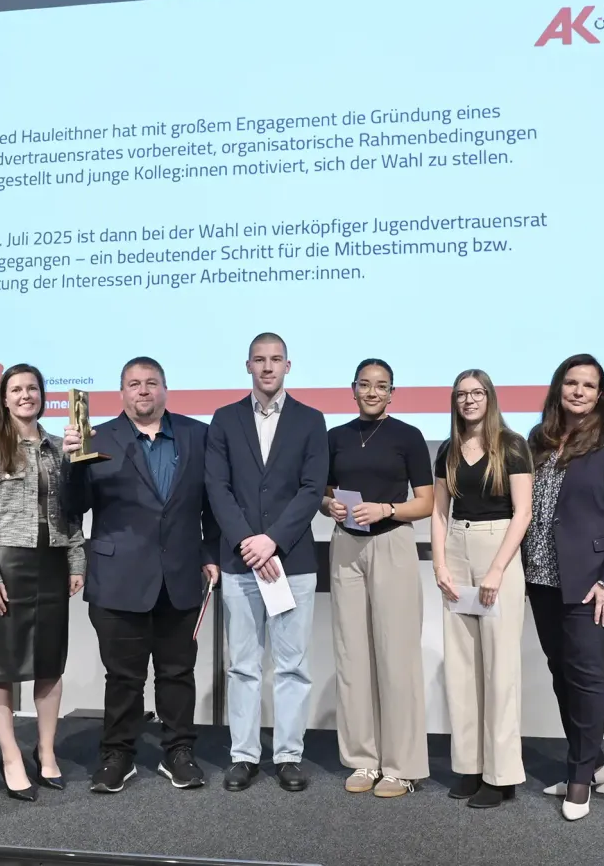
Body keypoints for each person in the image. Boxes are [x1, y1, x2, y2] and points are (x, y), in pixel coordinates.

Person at [60, 357, 220, 794]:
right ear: (122, 392)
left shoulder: (198, 434)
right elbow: (75, 506)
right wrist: (72, 462)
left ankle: (179, 752)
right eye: (134, 384)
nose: (143, 391)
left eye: (151, 383)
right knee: (124, 677)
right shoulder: (97, 438)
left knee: (177, 673)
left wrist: (210, 552)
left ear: (165, 389)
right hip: (118, 577)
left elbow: (213, 504)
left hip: (182, 574)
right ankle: (117, 756)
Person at [205, 332, 328, 793]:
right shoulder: (224, 419)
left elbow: (312, 489)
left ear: (288, 366)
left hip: (291, 563)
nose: (268, 367)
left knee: (293, 666)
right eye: (260, 359)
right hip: (240, 564)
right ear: (248, 366)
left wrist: (272, 541)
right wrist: (246, 542)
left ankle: (289, 756)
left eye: (276, 359)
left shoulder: (311, 420)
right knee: (243, 665)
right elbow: (218, 489)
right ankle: (243, 756)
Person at [0, 363, 85, 802]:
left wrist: (77, 561)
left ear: (42, 395)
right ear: (3, 398)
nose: (25, 395)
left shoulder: (60, 448)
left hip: (53, 563)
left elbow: (73, 512)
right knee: (2, 666)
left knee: (50, 663)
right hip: (7, 565)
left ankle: (46, 751)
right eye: (16, 389)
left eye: (32, 388)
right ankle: (11, 755)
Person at [522, 354, 604, 821]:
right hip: (542, 577)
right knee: (561, 672)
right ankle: (597, 762)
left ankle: (580, 776)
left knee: (588, 676)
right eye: (571, 382)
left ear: (601, 393)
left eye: (589, 385)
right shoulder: (539, 440)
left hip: (593, 582)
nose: (579, 391)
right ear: (558, 387)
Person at [320, 358, 433, 798]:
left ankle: (401, 765)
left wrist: (387, 509)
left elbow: (426, 502)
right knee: (352, 656)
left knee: (396, 657)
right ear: (352, 389)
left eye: (381, 386)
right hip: (346, 546)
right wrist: (328, 505)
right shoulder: (336, 437)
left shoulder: (408, 436)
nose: (372, 392)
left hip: (393, 544)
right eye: (364, 385)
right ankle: (363, 761)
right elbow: (324, 491)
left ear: (392, 392)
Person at [431, 369, 533, 809]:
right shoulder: (448, 450)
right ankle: (470, 767)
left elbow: (524, 511)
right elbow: (438, 512)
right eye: (461, 394)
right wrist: (439, 563)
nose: (469, 400)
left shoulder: (511, 445)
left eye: (477, 393)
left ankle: (502, 774)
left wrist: (496, 570)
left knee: (499, 670)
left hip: (498, 552)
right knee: (461, 668)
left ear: (490, 397)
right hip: (455, 550)